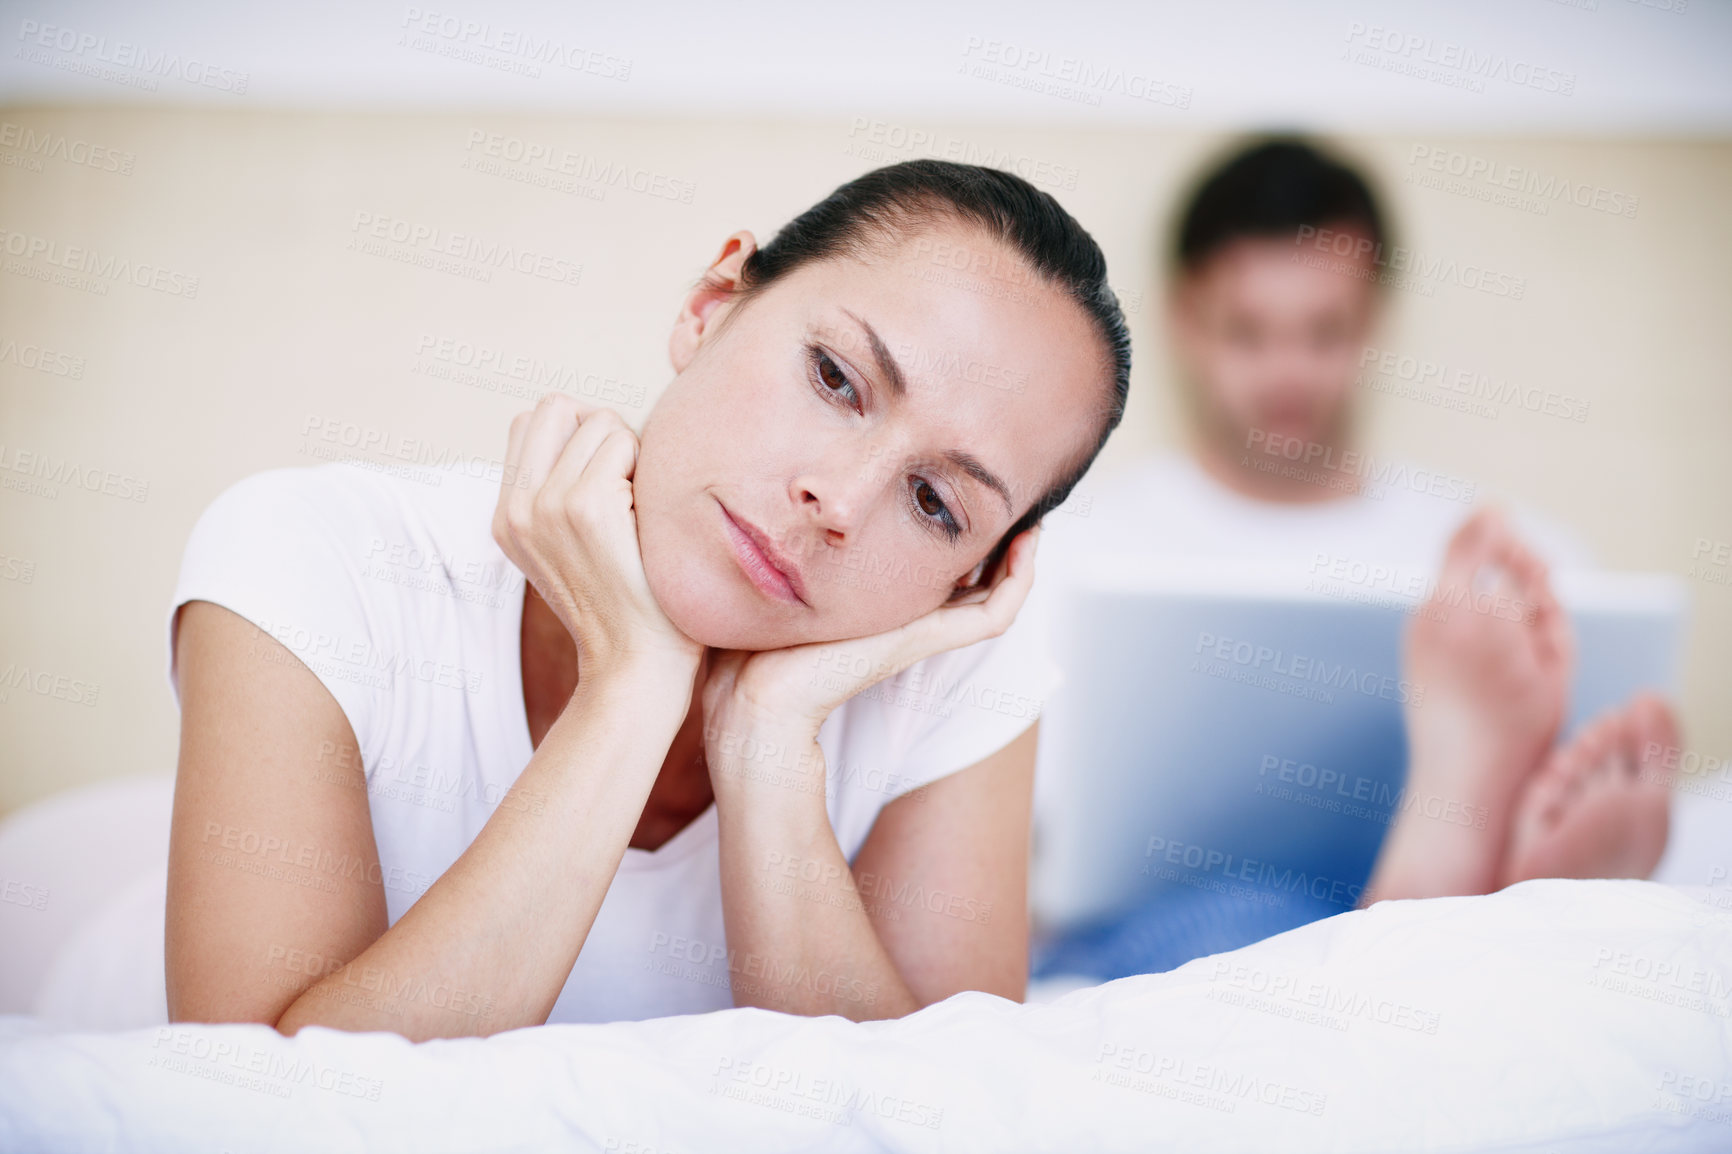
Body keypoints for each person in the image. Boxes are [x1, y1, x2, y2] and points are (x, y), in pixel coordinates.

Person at [165, 160, 1129, 1041]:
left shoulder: (956, 663)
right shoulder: (317, 551)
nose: (837, 501)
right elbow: (271, 1112)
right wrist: (631, 684)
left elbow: (934, 1121)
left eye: (933, 503)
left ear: (976, 575)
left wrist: (767, 747)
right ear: (712, 305)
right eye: (835, 378)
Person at [1029, 140, 1677, 983]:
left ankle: (1457, 886)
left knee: (1266, 940)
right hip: (1179, 917)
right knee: (1244, 920)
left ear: (1375, 315)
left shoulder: (1500, 556)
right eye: (1249, 332)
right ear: (1185, 318)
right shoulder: (1077, 548)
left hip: (1286, 935)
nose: (1288, 371)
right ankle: (1452, 887)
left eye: (1325, 331)